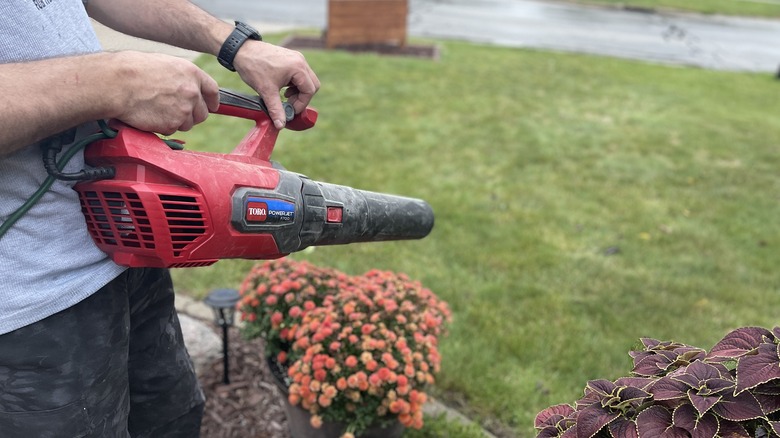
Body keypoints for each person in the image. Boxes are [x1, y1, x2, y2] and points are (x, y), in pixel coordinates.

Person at [0, 0, 319, 436]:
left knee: (176, 418)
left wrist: (235, 45)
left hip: (129, 244)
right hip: (29, 307)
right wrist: (114, 81)